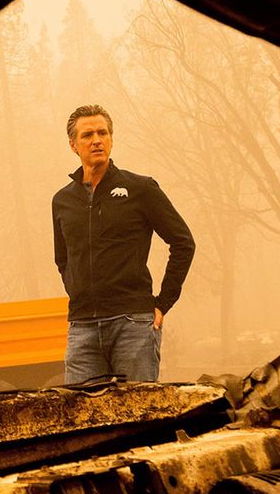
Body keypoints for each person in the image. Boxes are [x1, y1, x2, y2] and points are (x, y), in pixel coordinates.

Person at [51, 104, 195, 384]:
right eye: (87, 135)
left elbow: (183, 242)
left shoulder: (141, 189)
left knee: (140, 420)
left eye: (103, 133)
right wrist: (78, 292)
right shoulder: (62, 201)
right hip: (82, 328)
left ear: (111, 139)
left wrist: (163, 303)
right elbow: (63, 259)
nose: (96, 140)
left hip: (134, 324)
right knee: (81, 421)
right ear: (73, 145)